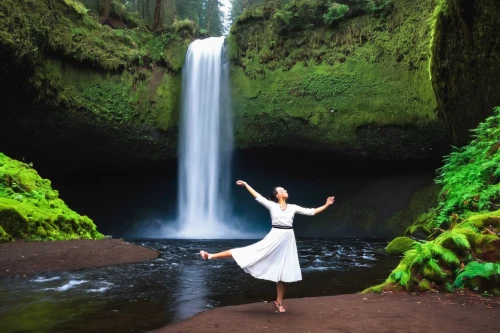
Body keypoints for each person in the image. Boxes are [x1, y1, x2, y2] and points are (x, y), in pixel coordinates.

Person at [199, 180, 335, 313]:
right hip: (275, 236)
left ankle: (278, 302)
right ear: (277, 195)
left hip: (288, 240)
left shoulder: (293, 207)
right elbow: (258, 197)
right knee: (248, 252)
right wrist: (246, 185)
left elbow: (311, 212)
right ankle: (210, 256)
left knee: (284, 272)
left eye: (285, 189)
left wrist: (327, 204)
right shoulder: (272, 206)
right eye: (281, 190)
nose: (285, 191)